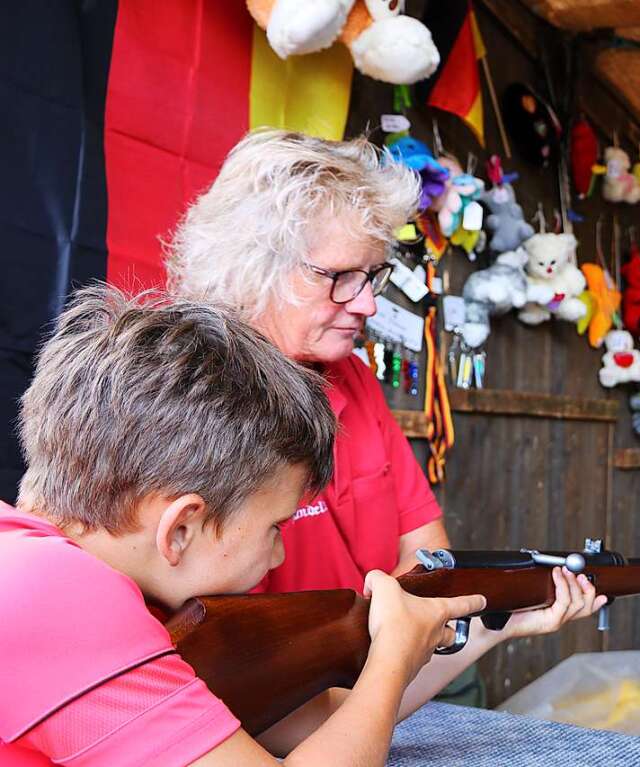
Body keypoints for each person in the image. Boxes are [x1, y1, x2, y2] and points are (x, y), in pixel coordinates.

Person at [166, 130, 607, 712]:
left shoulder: (352, 378)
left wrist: (489, 622)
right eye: (339, 277)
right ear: (252, 266)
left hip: (387, 685)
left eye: (371, 276)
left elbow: (430, 562)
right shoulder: (180, 408)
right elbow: (240, 677)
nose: (369, 304)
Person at [0, 286, 486, 767]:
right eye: (276, 527)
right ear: (180, 529)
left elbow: (315, 723)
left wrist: (482, 629)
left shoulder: (60, 571)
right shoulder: (60, 597)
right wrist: (391, 656)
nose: (278, 555)